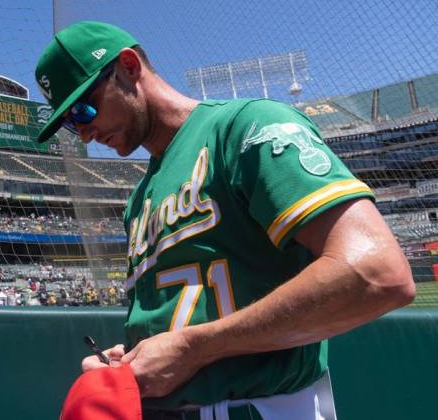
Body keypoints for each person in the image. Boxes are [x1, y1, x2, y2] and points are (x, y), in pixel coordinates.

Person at [35, 21, 415, 418]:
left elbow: (376, 273)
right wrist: (134, 360)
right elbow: (188, 316)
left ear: (129, 66)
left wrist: (192, 347)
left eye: (83, 108)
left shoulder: (247, 128)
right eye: (68, 122)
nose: (83, 132)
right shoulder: (138, 199)